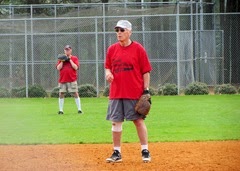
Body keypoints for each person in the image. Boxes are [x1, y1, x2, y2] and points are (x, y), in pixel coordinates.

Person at [104, 20, 152, 163]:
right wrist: (108, 73)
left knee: (138, 121)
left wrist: (146, 91)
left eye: (122, 30)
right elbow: (107, 67)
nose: (119, 33)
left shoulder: (138, 49)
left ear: (130, 32)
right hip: (116, 92)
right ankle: (117, 152)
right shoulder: (112, 49)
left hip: (134, 92)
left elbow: (146, 71)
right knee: (116, 122)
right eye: (117, 30)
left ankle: (145, 150)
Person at [56, 45, 82, 115]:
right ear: (64, 51)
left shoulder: (74, 58)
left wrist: (70, 59)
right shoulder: (61, 59)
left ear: (71, 50)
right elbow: (58, 68)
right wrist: (62, 61)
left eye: (68, 50)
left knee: (75, 93)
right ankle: (61, 110)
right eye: (66, 50)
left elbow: (76, 67)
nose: (67, 51)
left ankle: (79, 109)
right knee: (61, 93)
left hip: (72, 79)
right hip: (63, 79)